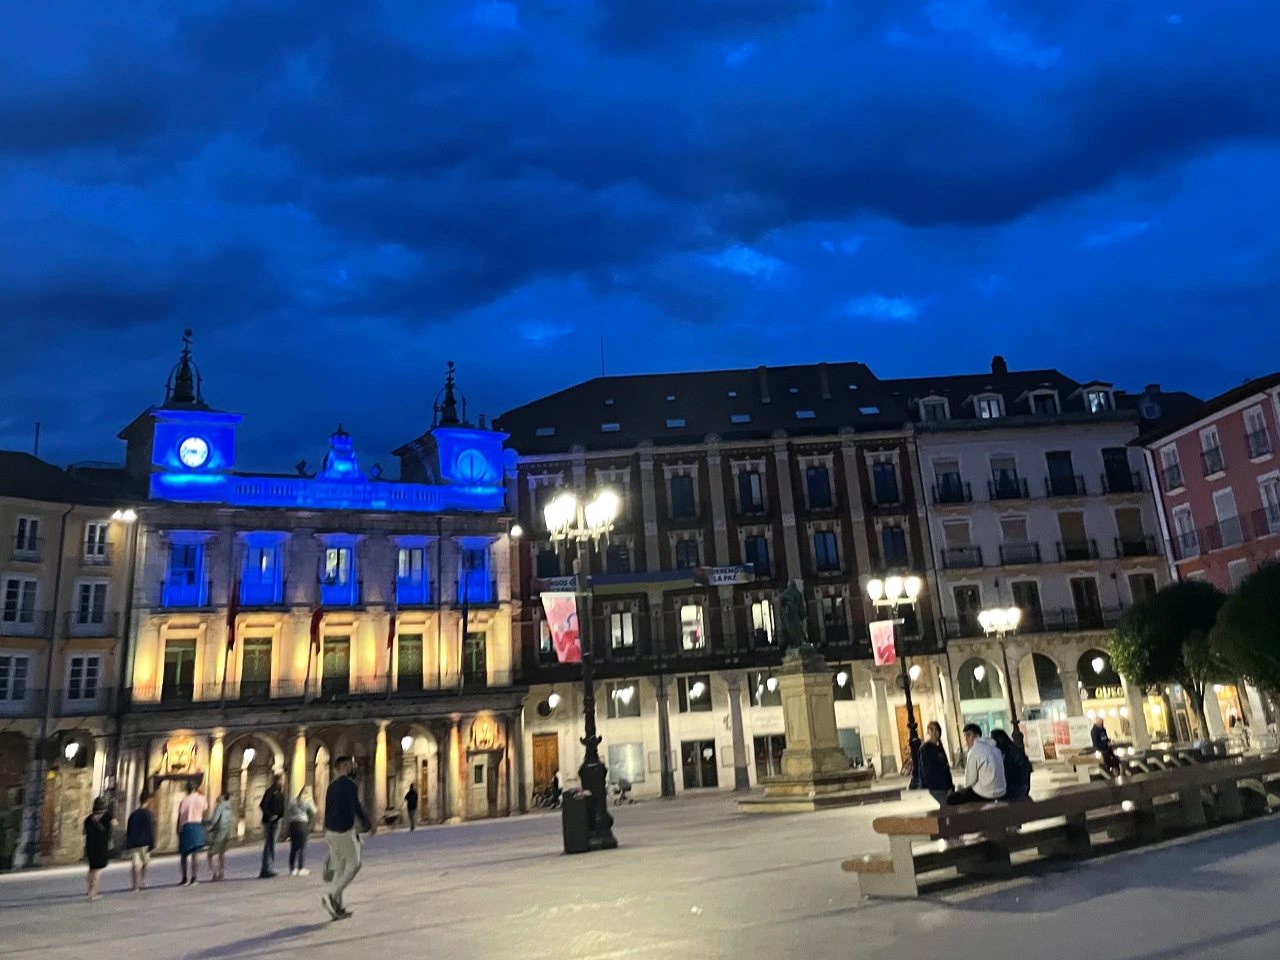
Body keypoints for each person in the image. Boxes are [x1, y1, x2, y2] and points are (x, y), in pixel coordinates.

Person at [321, 756, 372, 921]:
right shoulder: (350, 785)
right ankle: (332, 895)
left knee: (341, 868)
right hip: (343, 831)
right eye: (351, 765)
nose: (354, 767)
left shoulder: (331, 787)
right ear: (344, 767)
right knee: (355, 864)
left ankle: (337, 906)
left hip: (330, 832)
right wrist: (367, 824)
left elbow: (328, 810)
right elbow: (356, 806)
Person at [947, 723, 1006, 805]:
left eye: (969, 735)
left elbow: (970, 781)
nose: (966, 739)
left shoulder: (974, 751)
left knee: (951, 798)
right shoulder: (995, 748)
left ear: (977, 736)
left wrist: (961, 788)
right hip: (1002, 791)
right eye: (965, 736)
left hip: (986, 794)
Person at [914, 721, 954, 806]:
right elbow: (925, 770)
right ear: (928, 732)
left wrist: (950, 785)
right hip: (935, 789)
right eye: (931, 729)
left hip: (944, 788)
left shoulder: (939, 748)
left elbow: (945, 767)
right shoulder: (925, 748)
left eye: (936, 730)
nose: (934, 732)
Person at [176, 781, 208, 886]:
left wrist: (178, 829)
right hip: (197, 825)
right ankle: (194, 877)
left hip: (186, 826)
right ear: (196, 788)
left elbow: (180, 815)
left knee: (184, 854)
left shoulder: (184, 801)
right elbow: (205, 809)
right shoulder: (202, 798)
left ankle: (184, 877)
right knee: (195, 853)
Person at [124, 792, 156, 891]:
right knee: (145, 862)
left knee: (135, 864)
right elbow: (150, 829)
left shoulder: (133, 814)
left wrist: (128, 842)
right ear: (148, 801)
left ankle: (135, 885)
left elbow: (129, 829)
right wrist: (152, 842)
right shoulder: (149, 814)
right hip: (145, 842)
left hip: (134, 842)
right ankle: (142, 881)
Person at [84, 797, 114, 901]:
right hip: (101, 846)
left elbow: (84, 832)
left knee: (91, 869)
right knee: (97, 870)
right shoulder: (108, 816)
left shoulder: (88, 819)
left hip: (90, 845)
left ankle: (89, 890)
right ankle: (93, 893)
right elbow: (115, 824)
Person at [991, 728, 1033, 802]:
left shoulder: (1010, 752)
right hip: (1021, 785)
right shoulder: (1011, 749)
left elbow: (1010, 771)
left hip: (1017, 786)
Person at [259, 773, 285, 878]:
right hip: (270, 821)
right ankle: (267, 868)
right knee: (270, 844)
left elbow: (281, 805)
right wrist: (270, 815)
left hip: (277, 820)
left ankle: (268, 867)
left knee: (271, 843)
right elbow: (263, 804)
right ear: (277, 780)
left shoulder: (279, 791)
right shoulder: (270, 791)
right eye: (282, 779)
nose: (283, 781)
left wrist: (280, 815)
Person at [288, 786, 317, 876]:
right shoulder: (308, 801)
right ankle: (301, 868)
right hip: (302, 824)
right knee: (302, 847)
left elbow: (289, 809)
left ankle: (292, 869)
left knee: (293, 847)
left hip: (293, 824)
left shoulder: (293, 801)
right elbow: (314, 811)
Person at [206, 792, 233, 881]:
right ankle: (221, 872)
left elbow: (214, 819)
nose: (218, 797)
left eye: (220, 795)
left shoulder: (220, 806)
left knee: (212, 853)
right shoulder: (229, 806)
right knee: (222, 853)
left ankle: (215, 873)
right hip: (226, 831)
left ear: (223, 796)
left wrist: (207, 825)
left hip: (219, 832)